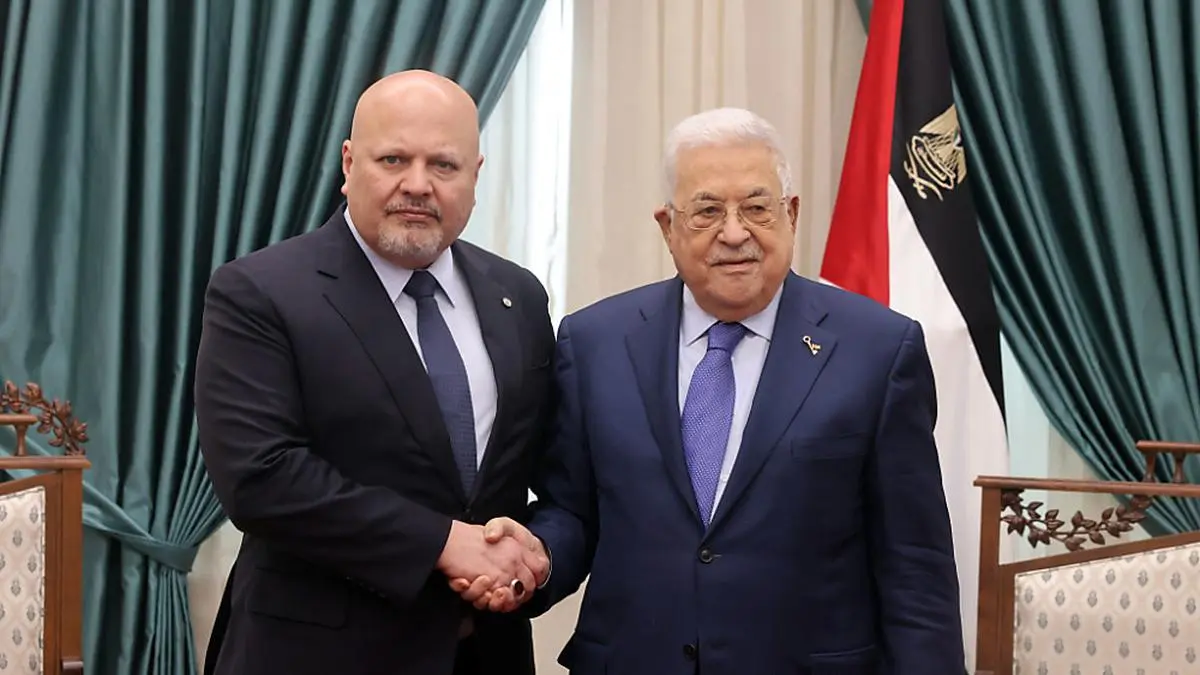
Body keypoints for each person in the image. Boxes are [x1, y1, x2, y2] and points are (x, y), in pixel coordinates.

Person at [463, 107, 965, 673]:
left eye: (756, 207)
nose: (734, 232)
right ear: (667, 227)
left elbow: (915, 566)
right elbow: (574, 511)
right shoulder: (595, 342)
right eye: (706, 211)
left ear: (791, 214)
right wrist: (537, 557)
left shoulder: (877, 350)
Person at [194, 70, 553, 675]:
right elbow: (261, 477)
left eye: (443, 165)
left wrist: (532, 558)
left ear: (475, 175)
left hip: (487, 653)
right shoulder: (260, 291)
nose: (417, 184)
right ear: (348, 163)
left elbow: (541, 465)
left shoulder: (517, 295)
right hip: (315, 655)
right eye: (393, 159)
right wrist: (442, 543)